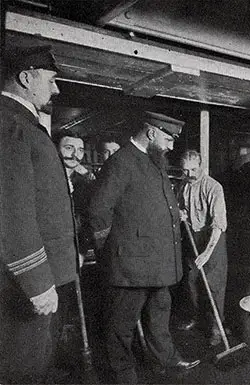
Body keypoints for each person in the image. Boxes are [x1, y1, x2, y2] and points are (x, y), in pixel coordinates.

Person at [89, 111, 200, 383]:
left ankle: (167, 360)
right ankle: (123, 375)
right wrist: (111, 252)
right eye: (167, 139)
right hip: (131, 265)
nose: (171, 146)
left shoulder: (154, 161)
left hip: (158, 263)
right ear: (151, 133)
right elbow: (98, 211)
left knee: (160, 314)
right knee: (121, 326)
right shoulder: (122, 161)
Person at [0, 45, 78, 383]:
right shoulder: (10, 124)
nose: (56, 88)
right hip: (24, 283)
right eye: (51, 80)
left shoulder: (21, 123)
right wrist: (37, 283)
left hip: (37, 277)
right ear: (26, 77)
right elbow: (11, 211)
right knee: (23, 369)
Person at [177, 150, 228, 346]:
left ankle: (217, 325)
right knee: (191, 281)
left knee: (214, 285)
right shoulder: (183, 185)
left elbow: (218, 225)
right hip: (193, 237)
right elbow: (179, 206)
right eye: (185, 170)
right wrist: (180, 212)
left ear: (202, 166)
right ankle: (196, 317)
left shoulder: (214, 187)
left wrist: (207, 253)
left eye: (193, 169)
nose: (189, 174)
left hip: (213, 238)